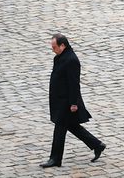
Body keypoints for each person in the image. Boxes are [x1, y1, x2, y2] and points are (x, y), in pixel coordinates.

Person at [40, 33, 105, 168]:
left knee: (60, 129)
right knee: (73, 126)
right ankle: (97, 145)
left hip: (66, 102)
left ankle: (55, 159)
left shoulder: (71, 60)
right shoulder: (59, 57)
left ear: (62, 45)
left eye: (54, 47)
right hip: (60, 100)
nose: (53, 49)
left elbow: (74, 83)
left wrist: (74, 103)